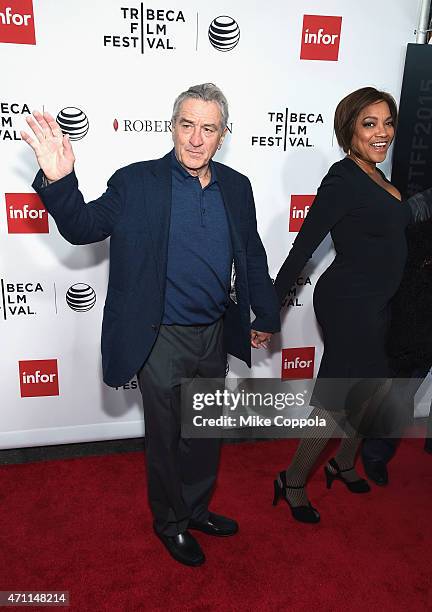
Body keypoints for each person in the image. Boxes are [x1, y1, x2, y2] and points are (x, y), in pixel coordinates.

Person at [21, 83, 280, 566]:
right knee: (165, 439)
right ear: (172, 126)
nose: (197, 139)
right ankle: (171, 523)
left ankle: (197, 508)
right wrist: (60, 180)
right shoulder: (136, 182)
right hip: (158, 336)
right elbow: (83, 227)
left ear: (222, 135)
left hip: (213, 332)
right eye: (188, 125)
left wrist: (262, 313)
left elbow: (252, 255)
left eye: (208, 128)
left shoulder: (237, 187)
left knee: (203, 433)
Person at [272, 87, 432, 523]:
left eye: (387, 122)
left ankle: (343, 463)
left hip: (382, 302)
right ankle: (293, 480)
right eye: (369, 124)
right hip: (349, 303)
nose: (382, 133)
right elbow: (303, 247)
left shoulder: (380, 175)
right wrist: (270, 309)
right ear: (349, 131)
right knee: (338, 397)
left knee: (375, 391)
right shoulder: (343, 179)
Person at [362, 217, 432, 484]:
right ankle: (374, 454)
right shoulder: (416, 235)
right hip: (413, 330)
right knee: (398, 395)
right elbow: (400, 286)